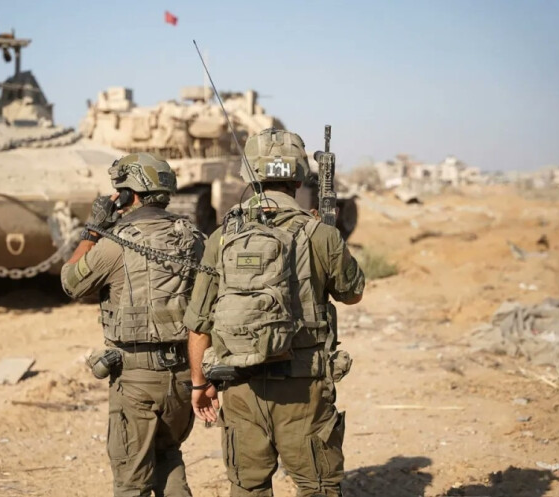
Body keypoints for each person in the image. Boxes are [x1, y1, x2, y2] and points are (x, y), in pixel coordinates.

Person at [184, 128, 365, 497]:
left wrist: (200, 384)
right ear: (298, 179)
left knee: (247, 486)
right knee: (317, 486)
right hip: (304, 388)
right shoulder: (319, 233)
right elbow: (352, 293)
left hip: (240, 385)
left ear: (249, 176)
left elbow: (199, 324)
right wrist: (328, 233)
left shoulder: (222, 237)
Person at [61, 152, 205, 497]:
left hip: (137, 380)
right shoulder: (194, 238)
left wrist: (93, 230)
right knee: (169, 457)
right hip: (183, 376)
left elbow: (71, 283)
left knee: (131, 482)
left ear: (129, 194)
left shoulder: (116, 244)